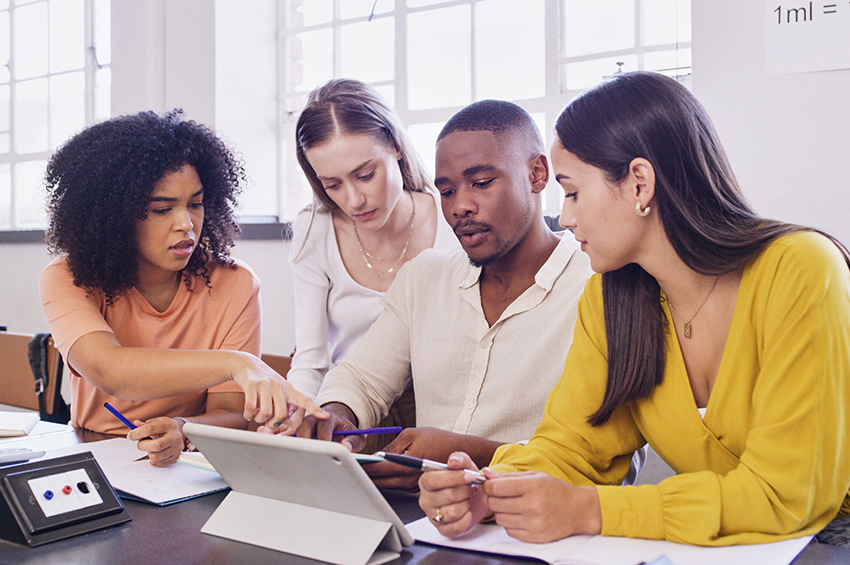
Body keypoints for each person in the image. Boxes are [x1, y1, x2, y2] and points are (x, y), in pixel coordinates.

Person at [418, 71, 850, 546]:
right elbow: (573, 447)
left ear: (639, 183)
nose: (566, 217)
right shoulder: (610, 297)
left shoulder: (802, 269)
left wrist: (589, 510)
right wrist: (493, 490)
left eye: (574, 192)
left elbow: (787, 495)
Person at [296, 99, 609, 492]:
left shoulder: (597, 287)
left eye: (481, 183)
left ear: (537, 173)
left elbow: (599, 459)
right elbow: (361, 378)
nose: (460, 206)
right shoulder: (424, 277)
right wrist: (337, 415)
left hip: (539, 525)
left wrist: (471, 455)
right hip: (429, 517)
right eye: (445, 191)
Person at [40, 110, 325, 466]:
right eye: (162, 210)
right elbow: (108, 370)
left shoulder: (235, 283)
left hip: (183, 469)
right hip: (94, 458)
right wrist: (237, 363)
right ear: (113, 214)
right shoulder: (70, 277)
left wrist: (185, 429)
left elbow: (230, 411)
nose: (186, 224)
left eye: (195, 204)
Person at [281, 79, 457, 448]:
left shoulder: (451, 219)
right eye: (332, 185)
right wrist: (298, 418)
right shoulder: (314, 229)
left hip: (436, 419)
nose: (354, 199)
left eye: (365, 175)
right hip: (345, 412)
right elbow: (311, 361)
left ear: (395, 146)